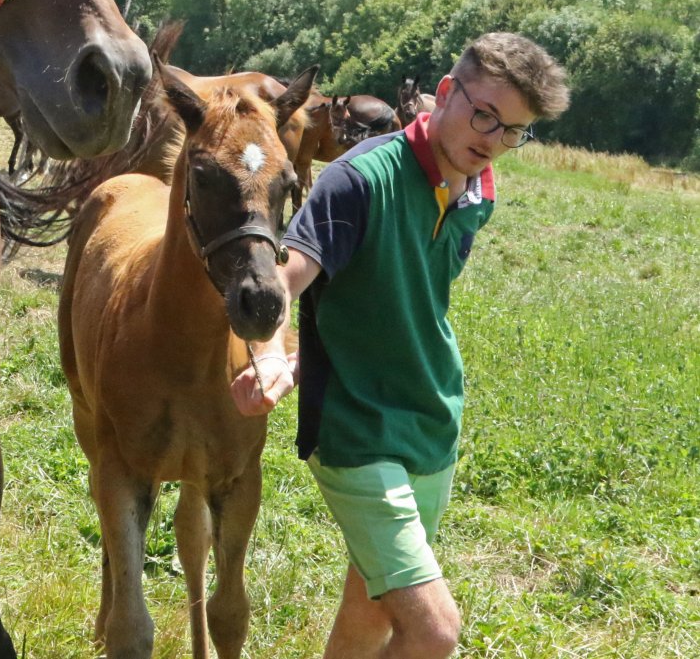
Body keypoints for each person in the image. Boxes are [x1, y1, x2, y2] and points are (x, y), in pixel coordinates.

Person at [232, 32, 569, 658]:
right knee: (434, 632)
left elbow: (403, 295)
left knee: (370, 615)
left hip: (432, 423)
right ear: (446, 92)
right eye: (484, 115)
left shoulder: (480, 190)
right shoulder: (358, 180)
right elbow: (284, 278)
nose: (493, 140)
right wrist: (274, 356)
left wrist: (312, 352)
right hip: (356, 430)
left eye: (513, 131)